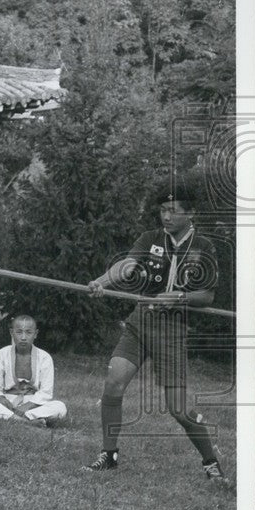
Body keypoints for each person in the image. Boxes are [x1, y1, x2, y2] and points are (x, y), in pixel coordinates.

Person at [84, 182, 225, 479]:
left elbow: (207, 297)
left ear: (191, 213)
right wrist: (102, 282)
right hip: (140, 322)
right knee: (113, 383)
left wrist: (179, 297)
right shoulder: (150, 239)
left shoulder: (204, 247)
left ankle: (211, 463)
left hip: (172, 331)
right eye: (162, 210)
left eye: (173, 211)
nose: (166, 217)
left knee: (179, 411)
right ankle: (108, 455)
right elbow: (127, 265)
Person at [0, 315, 67, 426]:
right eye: (19, 332)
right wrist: (1, 399)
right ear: (11, 333)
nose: (23, 337)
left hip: (33, 403)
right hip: (7, 401)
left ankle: (14, 418)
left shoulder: (44, 357)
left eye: (28, 332)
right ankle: (28, 421)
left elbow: (46, 392)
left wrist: (26, 406)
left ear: (36, 334)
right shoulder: (2, 354)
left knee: (60, 407)